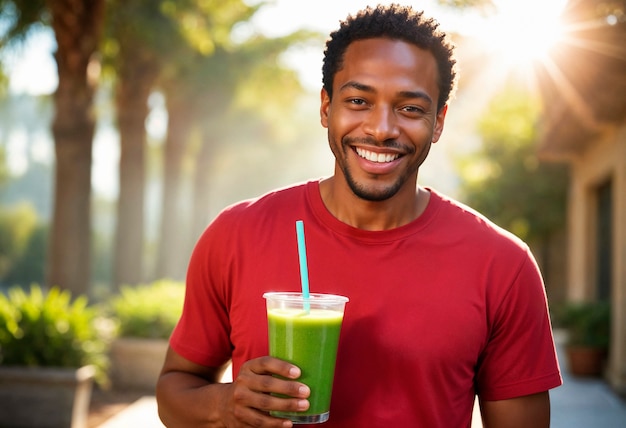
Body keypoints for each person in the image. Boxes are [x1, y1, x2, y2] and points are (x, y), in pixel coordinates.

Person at [156, 4, 562, 427]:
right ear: (325, 107)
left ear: (438, 122)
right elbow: (174, 391)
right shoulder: (236, 235)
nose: (381, 128)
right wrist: (224, 406)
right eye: (357, 100)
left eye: (409, 108)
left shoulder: (502, 264)